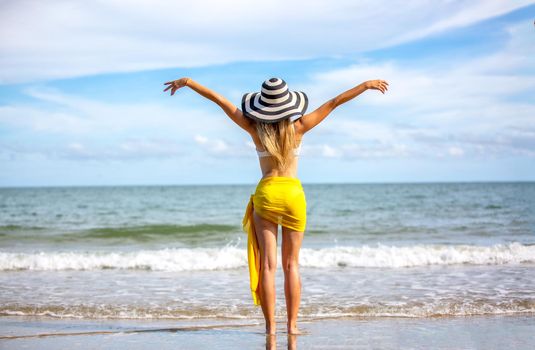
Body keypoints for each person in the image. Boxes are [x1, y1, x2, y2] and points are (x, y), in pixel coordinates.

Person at [163, 76, 389, 335]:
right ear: (289, 105)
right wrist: (365, 86)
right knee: (292, 265)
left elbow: (220, 101)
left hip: (267, 193)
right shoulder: (300, 127)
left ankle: (271, 328)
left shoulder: (254, 129)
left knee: (268, 267)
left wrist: (189, 83)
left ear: (262, 106)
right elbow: (335, 102)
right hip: (293, 195)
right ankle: (292, 327)